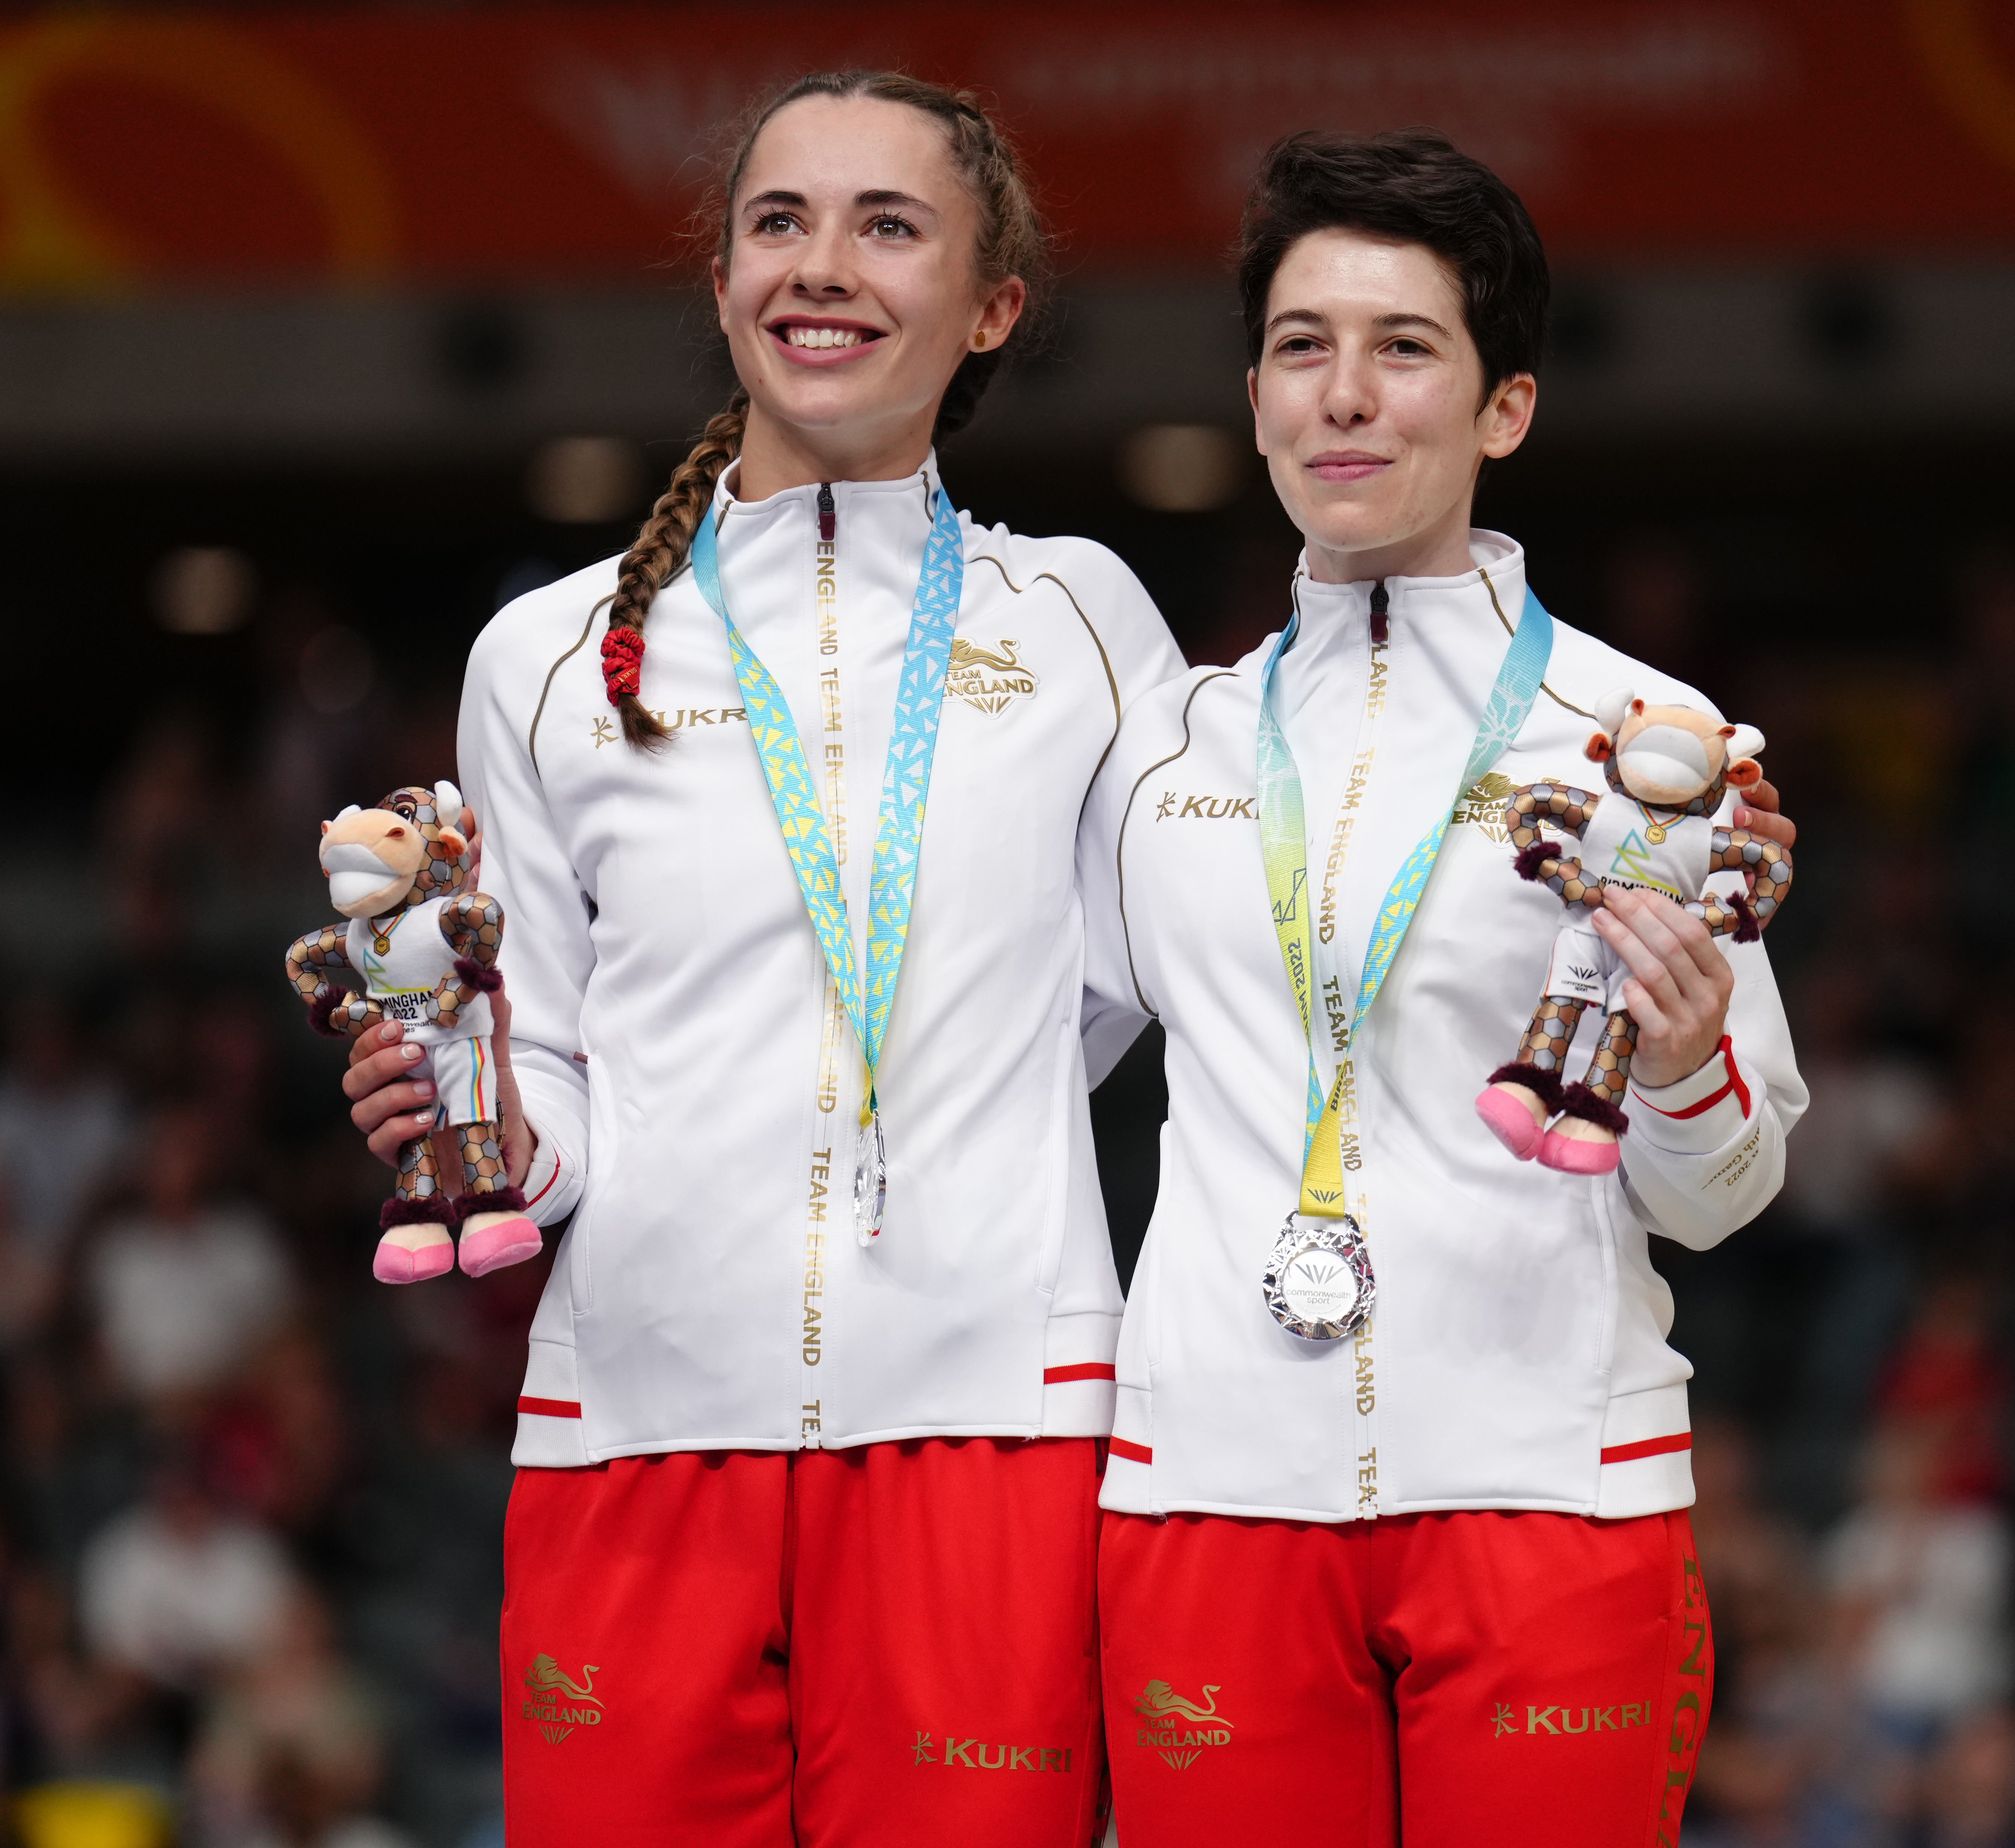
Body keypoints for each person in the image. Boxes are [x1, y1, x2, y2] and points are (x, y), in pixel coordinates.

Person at [334, 71, 1181, 1844]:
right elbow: (551, 1060)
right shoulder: (551, 658)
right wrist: (469, 1113)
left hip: (995, 1438)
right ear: (721, 285)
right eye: (779, 223)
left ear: (992, 305)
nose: (825, 267)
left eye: (891, 227)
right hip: (636, 1432)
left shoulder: (1087, 623)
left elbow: (1118, 990)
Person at [1079, 131, 1803, 1845]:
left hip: (1551, 1491)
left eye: (1407, 348)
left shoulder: (1651, 748)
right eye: (1305, 347)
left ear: (1506, 409)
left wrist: (1692, 1058)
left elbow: (1727, 1192)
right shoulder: (1153, 752)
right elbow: (996, 1065)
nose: (1349, 395)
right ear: (1253, 395)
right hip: (1211, 1493)